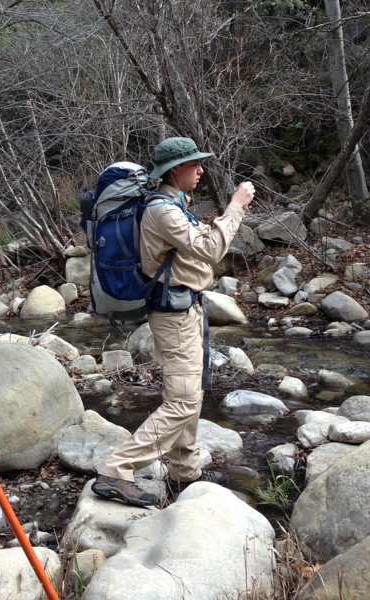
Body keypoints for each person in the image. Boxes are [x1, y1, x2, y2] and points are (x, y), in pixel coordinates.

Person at [92, 137, 255, 507]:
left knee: (191, 392)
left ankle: (184, 471)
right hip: (173, 314)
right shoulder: (162, 211)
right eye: (194, 164)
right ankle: (116, 470)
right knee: (181, 400)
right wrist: (235, 207)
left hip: (188, 308)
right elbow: (211, 249)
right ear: (174, 170)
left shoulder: (176, 204)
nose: (200, 170)